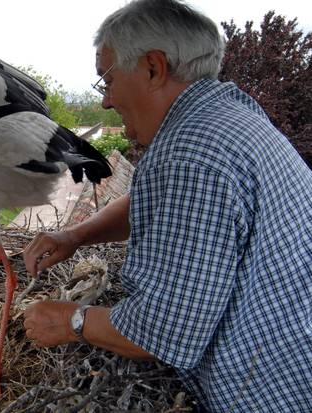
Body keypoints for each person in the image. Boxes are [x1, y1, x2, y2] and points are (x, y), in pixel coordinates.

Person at [22, 0, 312, 411]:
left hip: (276, 392)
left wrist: (69, 320)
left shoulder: (189, 155)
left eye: (105, 79)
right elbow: (150, 202)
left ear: (153, 68)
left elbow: (162, 331)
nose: (105, 100)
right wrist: (75, 235)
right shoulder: (227, 113)